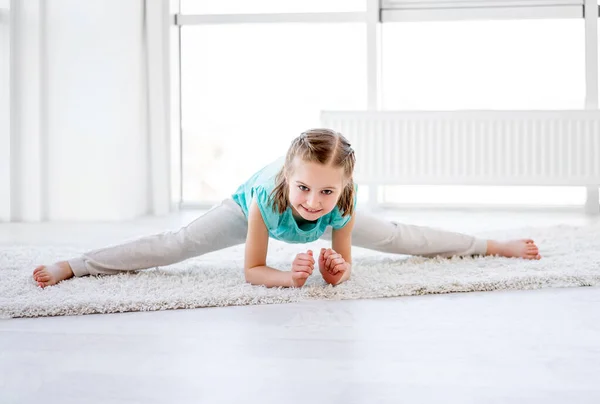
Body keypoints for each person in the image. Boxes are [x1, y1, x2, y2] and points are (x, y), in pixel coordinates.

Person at [32, 129, 541, 289]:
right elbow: (253, 270)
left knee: (401, 237)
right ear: (288, 180)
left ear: (343, 190)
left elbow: (342, 270)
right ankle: (78, 264)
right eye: (305, 188)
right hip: (251, 210)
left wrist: (334, 269)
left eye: (326, 193)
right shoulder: (268, 198)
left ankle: (491, 244)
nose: (313, 203)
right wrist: (289, 278)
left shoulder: (338, 201)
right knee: (178, 244)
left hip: (331, 204)